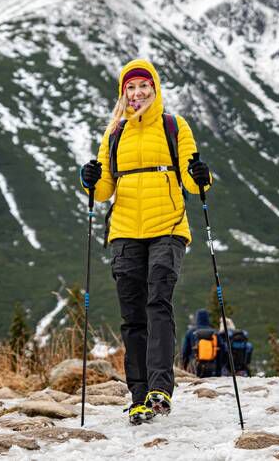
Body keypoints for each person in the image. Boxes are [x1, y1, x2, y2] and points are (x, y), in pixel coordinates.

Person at [80, 59, 213, 425]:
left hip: (168, 227)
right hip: (124, 231)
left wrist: (203, 176)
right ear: (124, 93)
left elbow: (192, 181)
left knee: (158, 303)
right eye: (131, 88)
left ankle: (159, 389)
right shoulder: (115, 133)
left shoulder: (174, 126)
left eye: (144, 87)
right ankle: (138, 396)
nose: (137, 94)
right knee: (132, 317)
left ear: (155, 90)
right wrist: (88, 178)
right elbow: (104, 189)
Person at [181, 308, 215, 373]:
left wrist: (184, 367)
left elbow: (185, 351)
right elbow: (222, 350)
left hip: (194, 367)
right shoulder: (214, 332)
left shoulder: (190, 332)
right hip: (212, 367)